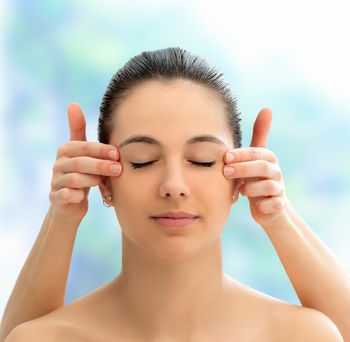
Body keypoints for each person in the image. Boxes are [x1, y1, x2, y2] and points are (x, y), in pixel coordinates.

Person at [0, 47, 348, 341]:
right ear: (103, 181)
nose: (174, 185)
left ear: (239, 179)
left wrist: (277, 213)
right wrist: (63, 212)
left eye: (201, 160)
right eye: (143, 161)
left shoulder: (302, 336)